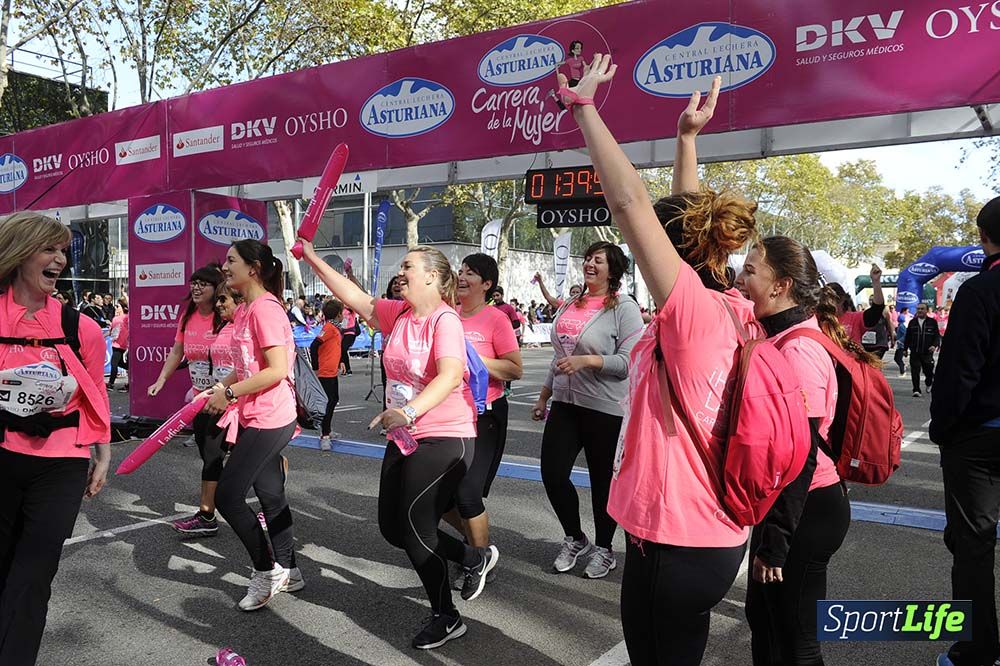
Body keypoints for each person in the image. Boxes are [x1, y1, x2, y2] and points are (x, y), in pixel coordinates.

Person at [559, 62, 757, 663]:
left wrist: (584, 109)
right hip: (684, 532)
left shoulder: (693, 312)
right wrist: (686, 141)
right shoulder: (733, 305)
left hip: (683, 537)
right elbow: (681, 224)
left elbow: (630, 203)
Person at [299, 240, 497, 650]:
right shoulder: (400, 314)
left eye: (408, 266)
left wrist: (408, 412)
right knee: (392, 528)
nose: (400, 272)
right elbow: (351, 295)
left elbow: (448, 376)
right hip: (404, 435)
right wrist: (314, 258)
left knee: (416, 527)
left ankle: (446, 615)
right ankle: (473, 557)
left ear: (431, 276)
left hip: (445, 434)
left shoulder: (446, 321)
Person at [736, 237, 857, 665]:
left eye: (751, 272)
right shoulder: (782, 336)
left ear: (780, 285)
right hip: (788, 505)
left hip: (807, 507)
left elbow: (801, 456)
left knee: (796, 638)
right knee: (764, 619)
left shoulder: (800, 348)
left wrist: (776, 542)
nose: (740, 278)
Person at [0, 212, 111, 665]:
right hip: (2, 456)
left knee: (32, 576)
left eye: (63, 251)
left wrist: (102, 453)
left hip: (61, 463)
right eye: (49, 249)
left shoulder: (79, 327)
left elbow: (95, 394)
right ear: (20, 253)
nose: (60, 259)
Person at [532, 241, 643, 579]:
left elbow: (628, 362)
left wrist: (587, 361)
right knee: (552, 473)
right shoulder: (570, 302)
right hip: (565, 404)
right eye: (588, 258)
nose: (590, 264)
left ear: (614, 271)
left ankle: (605, 549)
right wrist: (543, 396)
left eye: (599, 260)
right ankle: (575, 538)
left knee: (601, 484)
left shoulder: (624, 308)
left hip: (605, 409)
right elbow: (558, 355)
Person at [201, 239, 301, 611]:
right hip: (252, 414)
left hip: (272, 417)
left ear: (254, 268)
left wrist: (228, 395)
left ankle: (267, 569)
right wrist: (224, 386)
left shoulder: (266, 311)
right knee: (272, 495)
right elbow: (247, 365)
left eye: (231, 261)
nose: (225, 267)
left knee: (227, 496)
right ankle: (291, 568)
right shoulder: (245, 309)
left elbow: (276, 370)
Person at [930, 196, 1000, 666]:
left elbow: (959, 372)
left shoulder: (979, 291)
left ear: (983, 237)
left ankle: (977, 651)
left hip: (979, 438)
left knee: (973, 545)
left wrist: (943, 428)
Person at [446, 253, 522, 596]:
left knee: (468, 492)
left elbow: (514, 369)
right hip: (448, 416)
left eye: (470, 273)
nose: (462, 277)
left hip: (486, 415)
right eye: (460, 270)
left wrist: (473, 360)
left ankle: (477, 560)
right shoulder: (446, 315)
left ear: (487, 284)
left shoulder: (496, 320)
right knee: (437, 495)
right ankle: (475, 544)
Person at [147, 264, 227, 537]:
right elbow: (176, 351)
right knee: (208, 454)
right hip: (201, 400)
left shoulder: (227, 316)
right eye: (194, 282)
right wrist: (161, 380)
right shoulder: (188, 316)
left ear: (217, 288)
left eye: (203, 283)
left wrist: (228, 390)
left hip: (229, 399)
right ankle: (267, 480)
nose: (196, 287)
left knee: (215, 456)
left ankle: (207, 515)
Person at [315, 299, 347, 451]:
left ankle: (327, 429)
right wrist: (315, 368)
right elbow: (314, 345)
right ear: (338, 314)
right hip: (325, 372)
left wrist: (340, 361)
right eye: (342, 313)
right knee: (328, 403)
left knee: (334, 400)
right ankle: (324, 435)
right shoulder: (328, 328)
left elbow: (334, 348)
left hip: (332, 371)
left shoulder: (335, 329)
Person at [905, 302, 940, 397]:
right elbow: (908, 337)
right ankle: (916, 390)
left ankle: (929, 382)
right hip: (915, 352)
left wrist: (934, 345)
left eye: (922, 309)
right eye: (918, 309)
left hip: (927, 352)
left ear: (926, 310)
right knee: (915, 371)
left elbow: (937, 336)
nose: (920, 310)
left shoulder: (932, 322)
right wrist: (905, 349)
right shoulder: (912, 322)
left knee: (928, 370)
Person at [107, 299, 129, 392]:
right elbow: (110, 332)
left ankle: (111, 384)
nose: (116, 308)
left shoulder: (125, 318)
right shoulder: (116, 318)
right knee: (120, 363)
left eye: (118, 306)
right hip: (119, 344)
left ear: (123, 308)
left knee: (114, 363)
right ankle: (133, 371)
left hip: (122, 345)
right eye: (115, 307)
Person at [340, 305, 359, 375]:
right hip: (344, 333)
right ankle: (345, 369)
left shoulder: (352, 310)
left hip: (351, 333)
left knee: (343, 349)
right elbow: (344, 324)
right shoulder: (343, 310)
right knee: (342, 350)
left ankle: (348, 369)